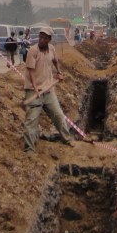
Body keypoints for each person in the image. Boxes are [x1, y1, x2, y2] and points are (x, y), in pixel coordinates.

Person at [21, 26, 73, 154]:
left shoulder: (51, 49)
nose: (42, 40)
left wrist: (59, 72)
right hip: (34, 92)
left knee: (58, 115)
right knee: (31, 121)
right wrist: (35, 88)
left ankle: (67, 139)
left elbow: (55, 61)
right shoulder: (33, 51)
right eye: (40, 37)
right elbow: (31, 71)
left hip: (48, 90)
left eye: (45, 38)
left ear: (49, 39)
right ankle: (29, 149)